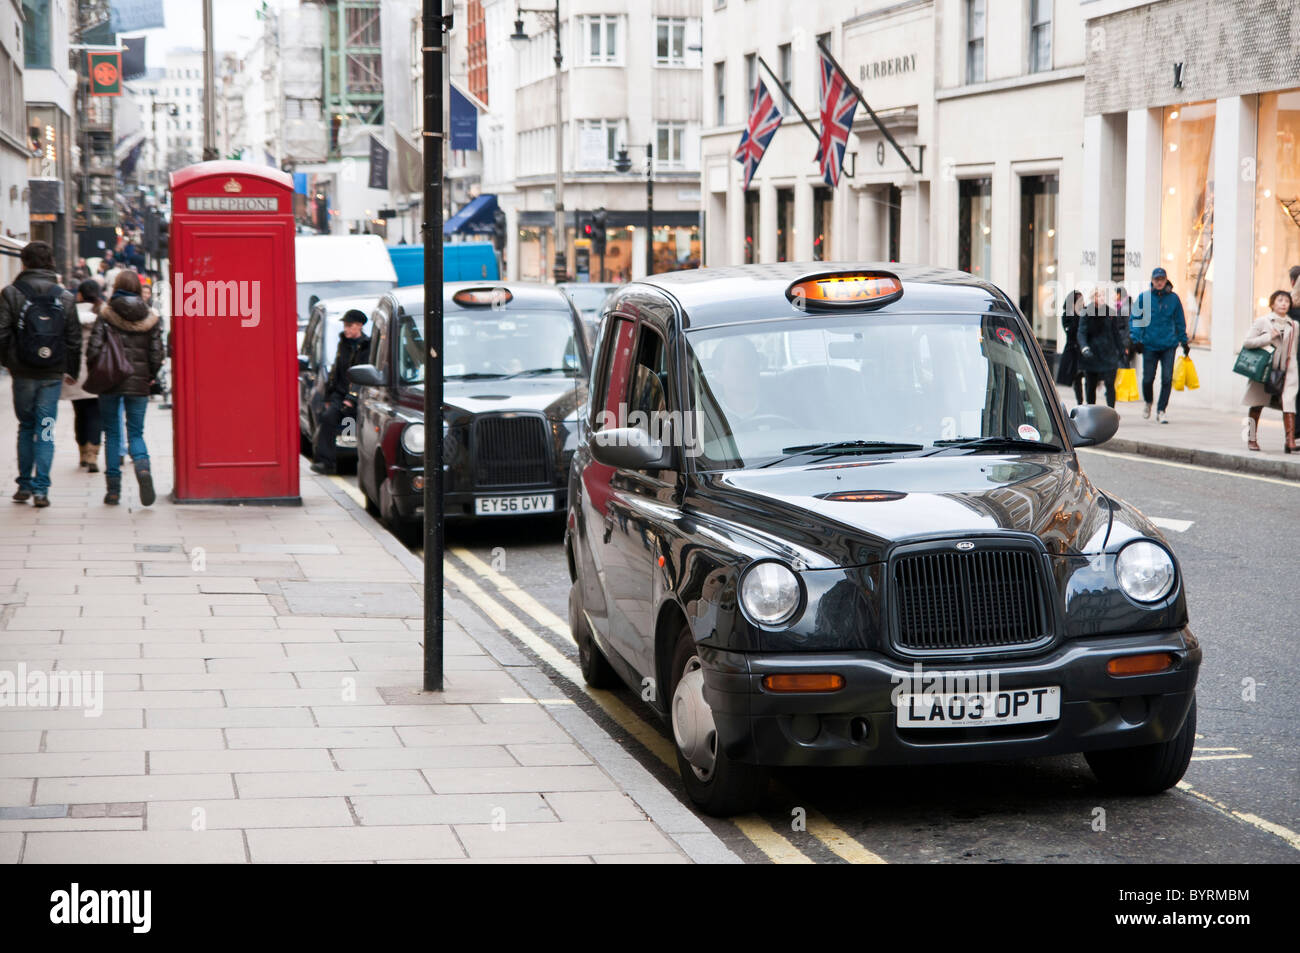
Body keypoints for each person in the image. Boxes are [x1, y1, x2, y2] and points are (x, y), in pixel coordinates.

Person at [0, 241, 80, 507]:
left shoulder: (11, 293)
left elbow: (2, 333)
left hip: (22, 370)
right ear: (50, 263)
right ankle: (41, 489)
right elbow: (74, 338)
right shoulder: (65, 296)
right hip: (52, 371)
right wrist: (72, 370)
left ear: (23, 262)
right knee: (46, 428)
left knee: (26, 426)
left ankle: (23, 484)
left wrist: (7, 362)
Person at [86, 270, 164, 505]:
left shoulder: (106, 314)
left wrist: (97, 370)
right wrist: (150, 375)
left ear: (116, 286)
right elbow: (157, 353)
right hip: (138, 381)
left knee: (112, 433)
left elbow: (93, 349)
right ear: (139, 290)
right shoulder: (150, 316)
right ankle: (142, 468)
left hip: (110, 381)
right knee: (136, 432)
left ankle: (113, 490)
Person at [311, 310, 371, 475]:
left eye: (349, 325)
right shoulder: (342, 343)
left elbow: (363, 375)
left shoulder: (368, 345)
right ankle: (325, 462)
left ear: (359, 326)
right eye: (345, 325)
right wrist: (329, 395)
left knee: (356, 428)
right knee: (328, 417)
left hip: (358, 395)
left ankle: (360, 463)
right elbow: (336, 370)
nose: (346, 329)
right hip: (340, 392)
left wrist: (352, 397)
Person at [1129, 266, 1188, 424]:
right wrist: (1136, 339)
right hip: (1149, 344)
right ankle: (1148, 401)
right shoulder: (1144, 298)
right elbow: (1135, 319)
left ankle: (1161, 410)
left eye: (1162, 279)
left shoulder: (1174, 299)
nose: (1159, 282)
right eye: (1157, 280)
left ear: (1166, 280)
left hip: (1169, 344)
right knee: (1148, 378)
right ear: (1152, 281)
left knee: (1167, 378)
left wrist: (1184, 340)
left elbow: (1180, 321)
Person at [1241, 290, 1298, 453]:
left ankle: (1290, 441)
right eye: (1280, 300)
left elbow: (1293, 351)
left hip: (1286, 371)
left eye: (1286, 301)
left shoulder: (1294, 325)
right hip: (1264, 370)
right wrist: (1267, 338)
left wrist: (1293, 373)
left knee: (1289, 403)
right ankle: (1251, 438)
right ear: (1272, 303)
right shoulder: (1262, 322)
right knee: (1257, 404)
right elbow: (1247, 343)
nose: (1283, 304)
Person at [61, 280, 105, 473]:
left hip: (74, 372)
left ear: (79, 295)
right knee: (95, 413)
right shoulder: (102, 314)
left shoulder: (69, 313)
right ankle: (92, 454)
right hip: (96, 371)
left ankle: (82, 453)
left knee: (80, 413)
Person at [1077, 287, 1130, 408]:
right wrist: (1084, 347)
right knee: (1091, 385)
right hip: (1092, 354)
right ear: (1093, 297)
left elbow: (1115, 333)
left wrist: (1122, 350)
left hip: (1109, 353)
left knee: (1110, 384)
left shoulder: (1110, 312)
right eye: (1099, 296)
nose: (1102, 298)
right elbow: (1082, 332)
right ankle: (1091, 410)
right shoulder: (1086, 312)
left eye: (1103, 296)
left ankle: (1112, 411)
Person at [1055, 290, 1085, 405]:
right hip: (1073, 349)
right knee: (1077, 378)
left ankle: (1086, 400)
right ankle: (1080, 402)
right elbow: (1070, 331)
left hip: (1085, 349)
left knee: (1089, 375)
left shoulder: (1086, 313)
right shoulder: (1067, 315)